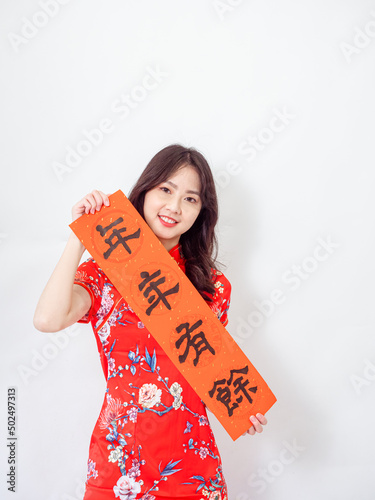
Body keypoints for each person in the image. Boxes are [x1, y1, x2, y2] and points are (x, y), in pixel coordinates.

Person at [33, 144, 268, 500]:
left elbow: (206, 372)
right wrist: (79, 239)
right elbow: (48, 319)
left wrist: (239, 407)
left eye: (191, 199)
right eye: (166, 190)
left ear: (202, 212)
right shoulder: (104, 273)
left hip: (193, 469)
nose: (174, 207)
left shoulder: (213, 287)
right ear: (145, 191)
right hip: (119, 462)